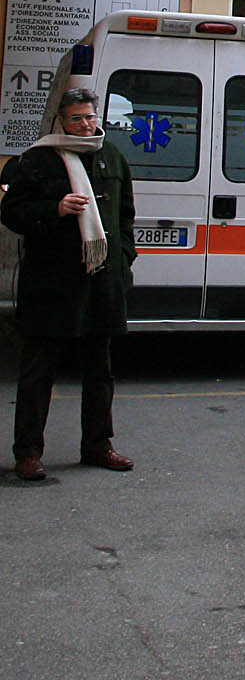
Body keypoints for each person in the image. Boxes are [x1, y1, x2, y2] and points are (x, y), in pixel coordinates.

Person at [2, 88, 137, 480]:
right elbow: (12, 212)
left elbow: (125, 215)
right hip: (51, 282)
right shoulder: (38, 159)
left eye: (90, 117)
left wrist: (123, 257)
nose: (85, 125)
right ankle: (28, 453)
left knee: (100, 372)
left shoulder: (111, 156)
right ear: (62, 120)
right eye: (76, 118)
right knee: (38, 372)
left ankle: (98, 446)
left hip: (101, 281)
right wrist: (55, 208)